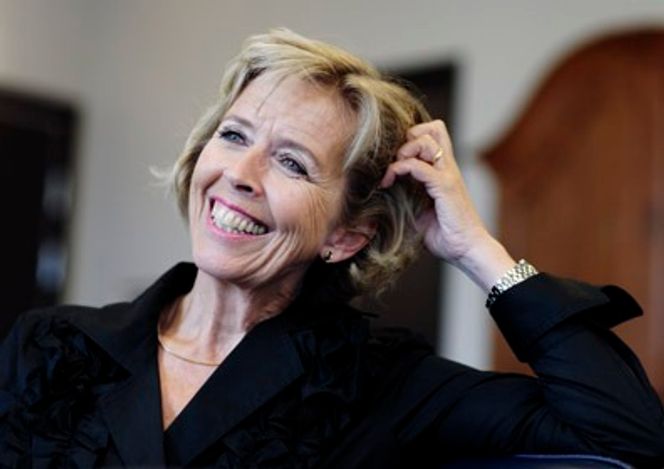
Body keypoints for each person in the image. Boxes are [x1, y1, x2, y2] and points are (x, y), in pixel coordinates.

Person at [1, 29, 663, 469]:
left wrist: (477, 249)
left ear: (346, 235)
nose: (241, 173)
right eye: (234, 136)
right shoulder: (50, 346)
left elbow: (628, 436)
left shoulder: (382, 386)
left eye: (291, 162)